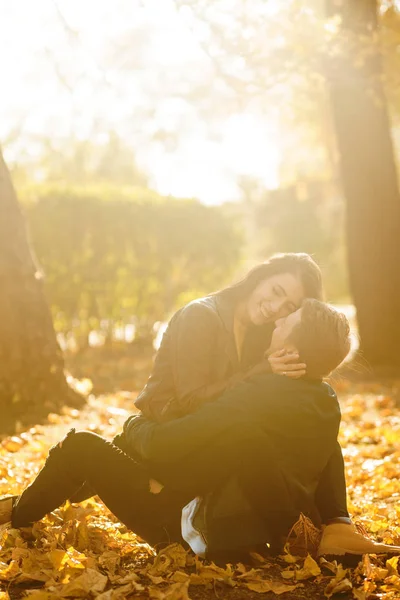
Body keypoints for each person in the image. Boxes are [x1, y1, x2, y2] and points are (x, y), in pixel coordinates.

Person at [2, 301, 399, 561]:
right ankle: (24, 503)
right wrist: (336, 517)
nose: (278, 320)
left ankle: (17, 517)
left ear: (293, 351)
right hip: (249, 530)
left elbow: (165, 443)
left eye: (287, 322)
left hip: (200, 532)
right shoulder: (325, 399)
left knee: (82, 447)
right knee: (123, 452)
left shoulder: (256, 397)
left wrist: (134, 422)